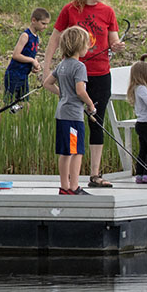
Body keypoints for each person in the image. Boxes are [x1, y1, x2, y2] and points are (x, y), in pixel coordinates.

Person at [42, 0, 126, 189]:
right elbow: (55, 39)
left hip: (100, 73)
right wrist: (46, 68)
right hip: (75, 75)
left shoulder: (107, 11)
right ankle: (69, 183)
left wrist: (115, 47)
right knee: (73, 129)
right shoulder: (70, 10)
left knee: (96, 122)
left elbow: (113, 40)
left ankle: (94, 174)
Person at [42, 26, 96, 196]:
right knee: (76, 151)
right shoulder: (79, 67)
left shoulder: (62, 65)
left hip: (61, 114)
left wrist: (63, 94)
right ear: (79, 46)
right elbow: (80, 90)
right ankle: (74, 187)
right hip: (73, 117)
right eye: (86, 44)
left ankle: (64, 186)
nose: (88, 47)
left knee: (65, 152)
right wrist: (90, 105)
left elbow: (47, 83)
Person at [3, 7, 49, 113]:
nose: (45, 27)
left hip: (24, 76)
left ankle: (20, 127)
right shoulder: (25, 35)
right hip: (14, 75)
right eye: (43, 23)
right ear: (34, 20)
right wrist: (32, 61)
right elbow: (16, 55)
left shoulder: (36, 38)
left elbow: (29, 55)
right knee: (7, 105)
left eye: (46, 24)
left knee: (25, 105)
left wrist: (34, 66)